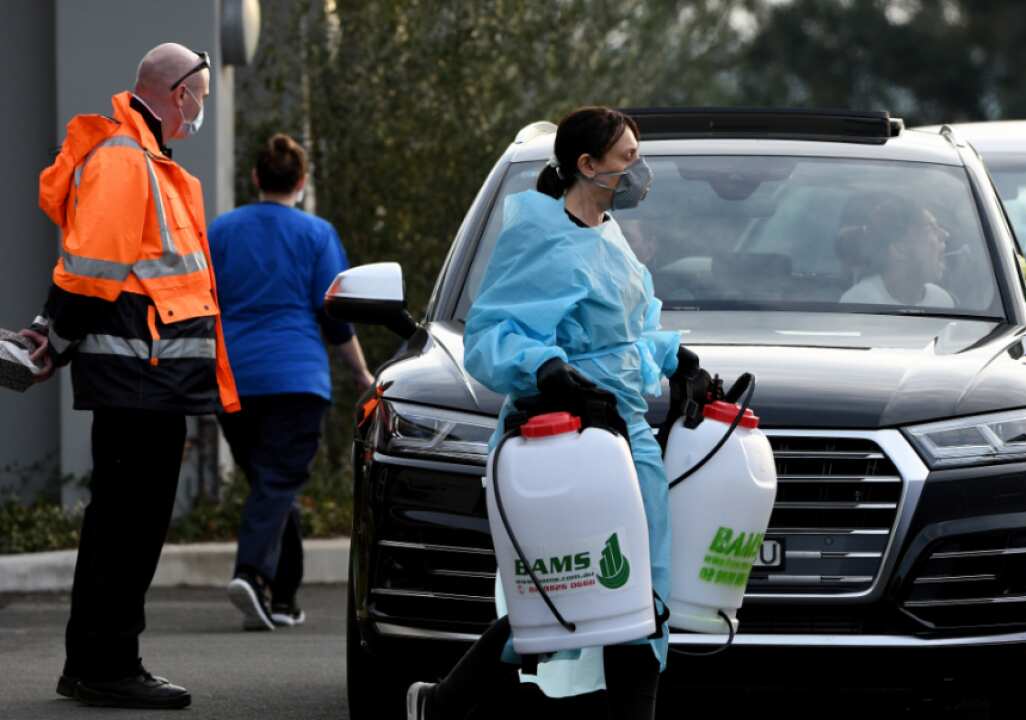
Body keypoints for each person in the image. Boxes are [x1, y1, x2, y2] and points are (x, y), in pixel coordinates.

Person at [405, 107, 706, 720]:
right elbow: (493, 336)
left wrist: (678, 359)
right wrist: (545, 369)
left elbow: (625, 338)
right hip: (570, 439)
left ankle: (446, 705)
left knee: (638, 595)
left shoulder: (607, 237)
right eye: (626, 158)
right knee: (564, 590)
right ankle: (443, 705)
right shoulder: (541, 235)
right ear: (588, 166)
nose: (637, 169)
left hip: (626, 437)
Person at [19, 43, 238, 709]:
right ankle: (107, 664)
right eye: (200, 94)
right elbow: (92, 271)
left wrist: (50, 339)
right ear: (179, 95)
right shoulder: (126, 158)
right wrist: (51, 340)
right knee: (127, 526)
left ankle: (98, 660)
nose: (202, 107)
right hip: (139, 380)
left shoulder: (146, 160)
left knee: (126, 524)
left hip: (151, 381)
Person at [208, 134, 374, 631]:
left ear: (256, 178)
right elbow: (336, 313)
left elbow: (200, 302)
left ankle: (282, 597)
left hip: (232, 380)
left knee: (270, 484)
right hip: (295, 379)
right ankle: (252, 574)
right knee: (276, 483)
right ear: (300, 183)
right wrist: (362, 373)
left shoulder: (220, 231)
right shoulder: (317, 234)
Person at [838, 196, 955, 308]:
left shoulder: (942, 301)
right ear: (900, 248)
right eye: (931, 228)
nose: (945, 235)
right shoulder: (857, 304)